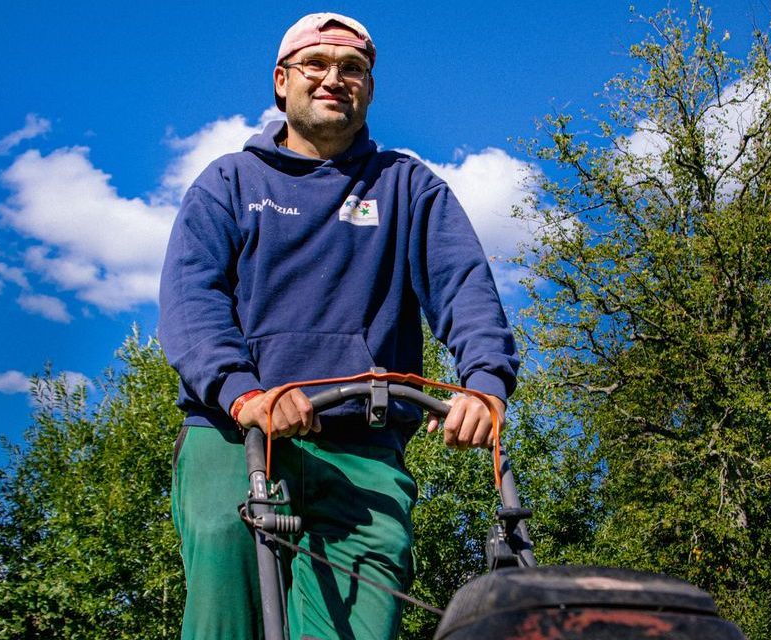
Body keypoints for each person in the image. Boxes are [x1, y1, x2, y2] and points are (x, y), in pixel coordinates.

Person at [159, 12, 519, 640]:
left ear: (369, 87)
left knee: (356, 626)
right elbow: (192, 300)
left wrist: (484, 384)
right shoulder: (229, 182)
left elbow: (465, 288)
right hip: (234, 435)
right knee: (224, 618)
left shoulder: (408, 188)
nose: (334, 79)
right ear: (282, 81)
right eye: (316, 66)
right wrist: (243, 392)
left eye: (352, 68)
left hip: (363, 449)